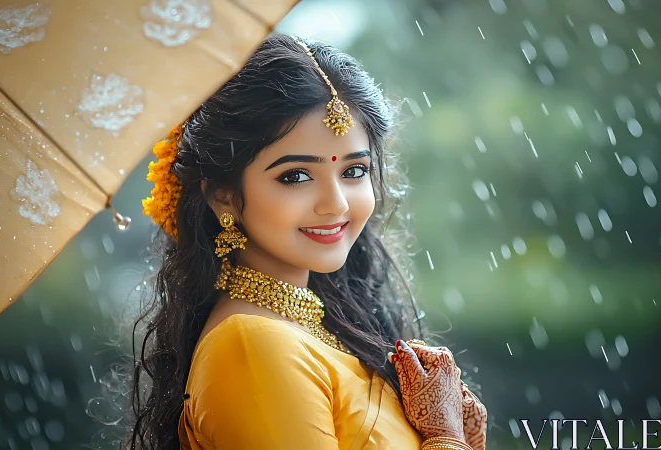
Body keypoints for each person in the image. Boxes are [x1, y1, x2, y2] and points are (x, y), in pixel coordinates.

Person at [128, 34, 487, 450]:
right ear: (223, 196)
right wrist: (445, 438)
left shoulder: (317, 329)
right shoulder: (251, 347)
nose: (334, 204)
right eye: (296, 176)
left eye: (354, 171)